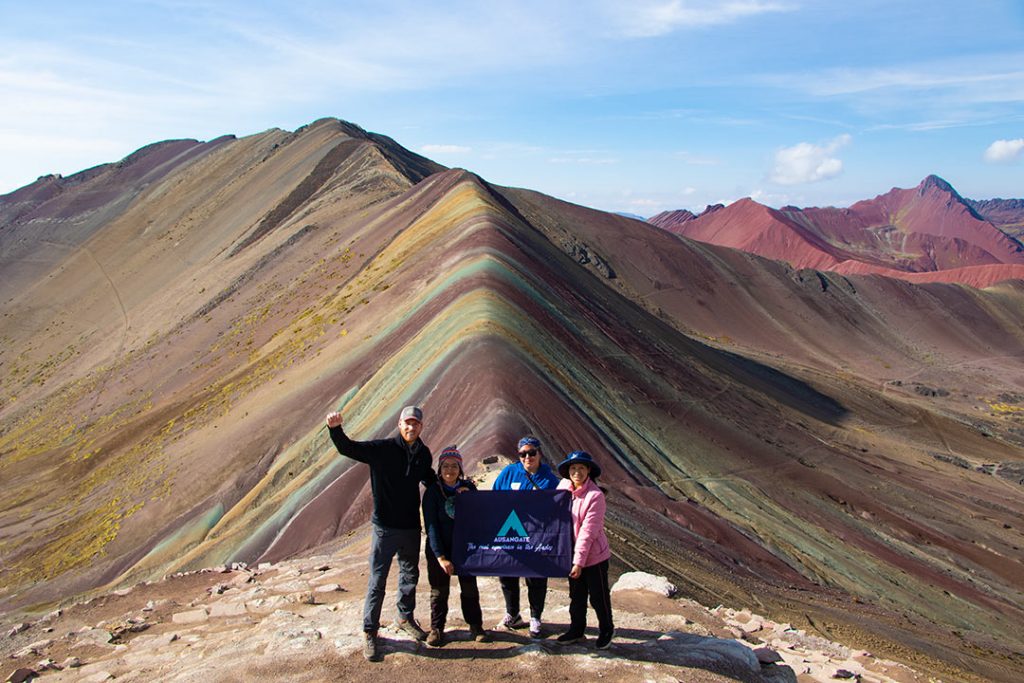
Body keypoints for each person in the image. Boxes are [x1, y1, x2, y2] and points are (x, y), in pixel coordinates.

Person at [325, 405, 436, 662]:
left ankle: (404, 617)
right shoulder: (383, 450)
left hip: (410, 526)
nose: (411, 427)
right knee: (377, 581)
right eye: (407, 423)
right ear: (399, 425)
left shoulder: (423, 454)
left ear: (421, 427)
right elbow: (349, 448)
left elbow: (429, 478)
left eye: (416, 424)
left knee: (410, 574)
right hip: (385, 527)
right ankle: (370, 632)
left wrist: (456, 486)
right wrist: (335, 429)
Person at [421, 445, 493, 647]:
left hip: (464, 549)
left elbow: (478, 517)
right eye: (445, 466)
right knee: (439, 590)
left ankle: (476, 626)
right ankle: (436, 629)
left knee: (470, 589)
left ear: (460, 469)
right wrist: (440, 557)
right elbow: (431, 526)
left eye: (454, 466)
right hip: (439, 550)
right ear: (439, 468)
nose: (449, 470)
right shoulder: (433, 493)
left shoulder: (469, 489)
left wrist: (467, 499)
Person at [491, 435, 560, 638]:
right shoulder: (509, 473)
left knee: (536, 577)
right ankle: (513, 614)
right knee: (507, 574)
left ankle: (536, 617)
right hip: (511, 533)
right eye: (523, 454)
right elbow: (494, 496)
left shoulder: (548, 479)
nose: (527, 457)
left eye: (531, 453)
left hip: (536, 537)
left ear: (540, 453)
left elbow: (557, 506)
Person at [555, 450, 614, 650]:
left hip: (594, 556)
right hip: (571, 554)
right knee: (576, 595)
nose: (577, 472)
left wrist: (578, 562)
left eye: (581, 468)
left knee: (598, 596)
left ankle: (606, 628)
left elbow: (588, 532)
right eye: (573, 468)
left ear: (589, 470)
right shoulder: (563, 487)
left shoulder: (595, 496)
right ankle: (577, 630)